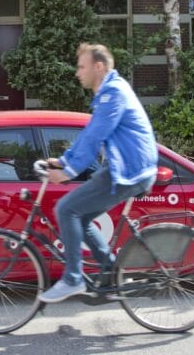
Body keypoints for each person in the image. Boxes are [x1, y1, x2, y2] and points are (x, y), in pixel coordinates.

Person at [39, 43, 158, 303]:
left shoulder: (113, 93)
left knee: (66, 209)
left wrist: (69, 171)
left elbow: (96, 135)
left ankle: (73, 278)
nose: (77, 72)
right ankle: (111, 273)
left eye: (82, 66)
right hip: (126, 167)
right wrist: (63, 161)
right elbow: (88, 135)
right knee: (79, 217)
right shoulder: (109, 93)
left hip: (130, 170)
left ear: (99, 66)